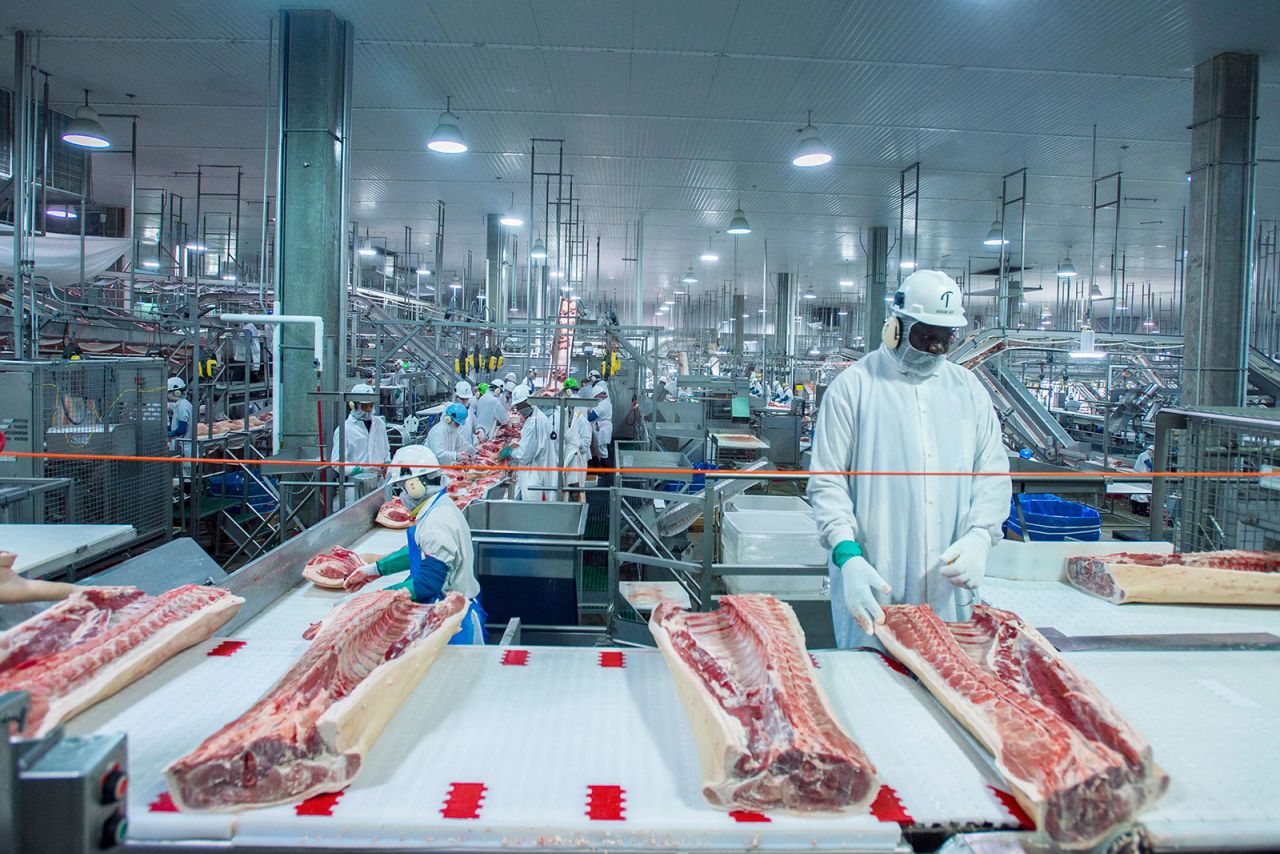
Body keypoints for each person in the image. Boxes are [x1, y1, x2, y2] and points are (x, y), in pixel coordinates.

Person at [808, 269, 1011, 649]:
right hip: (874, 576)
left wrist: (982, 535)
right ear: (896, 328)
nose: (935, 349)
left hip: (950, 586)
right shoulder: (854, 388)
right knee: (874, 685)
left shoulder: (968, 391)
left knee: (952, 683)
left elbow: (992, 474)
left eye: (944, 339)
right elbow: (827, 482)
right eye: (925, 337)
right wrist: (847, 555)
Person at [345, 447, 486, 644]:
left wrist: (376, 600)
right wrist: (375, 569)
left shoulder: (435, 523)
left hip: (451, 625)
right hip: (447, 613)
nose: (400, 496)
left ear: (414, 485)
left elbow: (427, 584)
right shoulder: (440, 506)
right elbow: (423, 552)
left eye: (401, 489)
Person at [331, 382, 391, 506]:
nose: (369, 409)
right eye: (365, 406)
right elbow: (336, 462)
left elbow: (386, 448)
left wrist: (387, 461)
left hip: (380, 482)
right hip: (355, 485)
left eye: (371, 405)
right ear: (353, 405)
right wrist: (357, 469)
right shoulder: (344, 429)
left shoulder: (379, 424)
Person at [499, 385, 559, 500]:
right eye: (518, 406)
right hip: (538, 470)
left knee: (534, 511)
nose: (520, 409)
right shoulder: (536, 417)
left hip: (536, 475)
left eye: (521, 405)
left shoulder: (534, 422)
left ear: (529, 402)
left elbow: (525, 455)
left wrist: (510, 451)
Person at [562, 379, 593, 499]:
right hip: (573, 451)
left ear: (568, 390)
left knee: (577, 487)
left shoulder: (574, 403)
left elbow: (584, 442)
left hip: (578, 453)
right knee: (572, 487)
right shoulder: (574, 405)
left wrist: (574, 444)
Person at [587, 379, 614, 480]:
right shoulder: (605, 402)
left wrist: (587, 413)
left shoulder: (602, 404)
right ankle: (598, 470)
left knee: (602, 451)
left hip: (602, 430)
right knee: (597, 450)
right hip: (602, 428)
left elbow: (591, 417)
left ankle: (608, 474)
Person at [167, 377, 193, 446]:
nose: (168, 394)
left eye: (169, 392)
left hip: (184, 446)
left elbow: (182, 429)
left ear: (177, 392)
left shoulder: (182, 406)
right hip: (185, 444)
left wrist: (169, 433)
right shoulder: (183, 403)